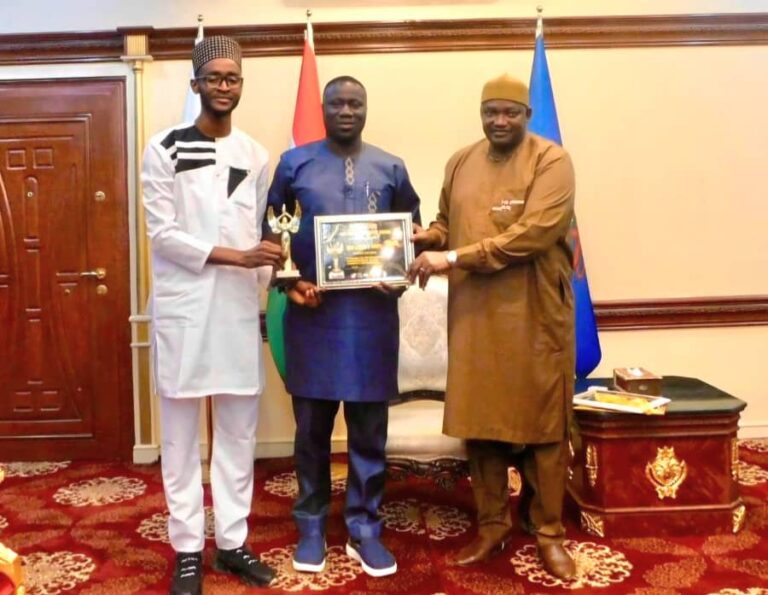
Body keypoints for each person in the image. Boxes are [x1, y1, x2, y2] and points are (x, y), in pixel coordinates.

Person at [407, 73, 577, 580]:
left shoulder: (552, 161)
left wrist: (453, 257)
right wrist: (426, 238)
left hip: (536, 312)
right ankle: (492, 525)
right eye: (490, 112)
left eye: (510, 112)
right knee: (480, 421)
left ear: (527, 115)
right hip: (476, 313)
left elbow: (533, 234)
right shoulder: (461, 161)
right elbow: (447, 223)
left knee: (543, 424)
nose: (499, 121)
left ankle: (548, 532)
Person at [141, 35, 282, 595]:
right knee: (179, 439)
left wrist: (274, 274)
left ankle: (231, 543)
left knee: (238, 434)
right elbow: (163, 235)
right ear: (196, 83)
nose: (224, 86)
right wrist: (237, 257)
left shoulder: (256, 154)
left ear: (241, 84)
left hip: (237, 312)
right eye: (215, 77)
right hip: (184, 311)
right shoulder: (164, 148)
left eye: (233, 78)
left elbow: (264, 229)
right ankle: (186, 550)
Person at [264, 76, 421, 578]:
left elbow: (411, 234)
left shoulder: (391, 167)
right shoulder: (295, 164)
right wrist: (290, 283)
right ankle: (311, 526)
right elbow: (271, 233)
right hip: (314, 319)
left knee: (369, 432)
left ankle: (365, 528)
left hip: (372, 321)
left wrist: (398, 276)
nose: (346, 111)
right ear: (324, 109)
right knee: (311, 431)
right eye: (337, 103)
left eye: (355, 103)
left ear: (366, 109)